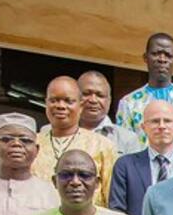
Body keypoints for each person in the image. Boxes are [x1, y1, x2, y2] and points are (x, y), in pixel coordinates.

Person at [32, 76, 118, 205]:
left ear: (81, 106)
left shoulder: (102, 146)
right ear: (46, 103)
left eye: (68, 101)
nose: (60, 106)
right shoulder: (32, 144)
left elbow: (111, 197)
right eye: (54, 100)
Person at [115, 32, 173, 145]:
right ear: (145, 58)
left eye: (168, 55)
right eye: (156, 53)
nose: (162, 59)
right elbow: (123, 146)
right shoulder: (128, 103)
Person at [108, 100, 173, 215]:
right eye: (155, 121)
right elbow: (117, 213)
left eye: (167, 121)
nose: (162, 126)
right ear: (143, 127)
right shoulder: (125, 165)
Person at [78, 70, 141, 156]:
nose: (93, 100)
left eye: (100, 95)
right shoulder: (57, 132)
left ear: (109, 100)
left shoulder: (128, 140)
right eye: (86, 94)